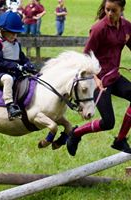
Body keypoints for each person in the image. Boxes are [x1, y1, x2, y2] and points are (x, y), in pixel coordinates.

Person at [66, 0, 131, 156]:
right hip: (98, 82)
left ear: (121, 9)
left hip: (114, 76)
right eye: (107, 10)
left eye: (113, 10)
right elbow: (85, 57)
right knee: (108, 123)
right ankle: (75, 134)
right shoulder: (98, 29)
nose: (109, 13)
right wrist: (95, 79)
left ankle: (120, 140)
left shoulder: (127, 26)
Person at [0, 11, 36, 120]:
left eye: (16, 33)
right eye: (12, 32)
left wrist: (29, 65)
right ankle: (10, 106)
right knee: (8, 79)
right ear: (3, 31)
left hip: (16, 73)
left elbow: (22, 58)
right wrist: (17, 66)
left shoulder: (16, 43)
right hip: (0, 74)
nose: (14, 35)